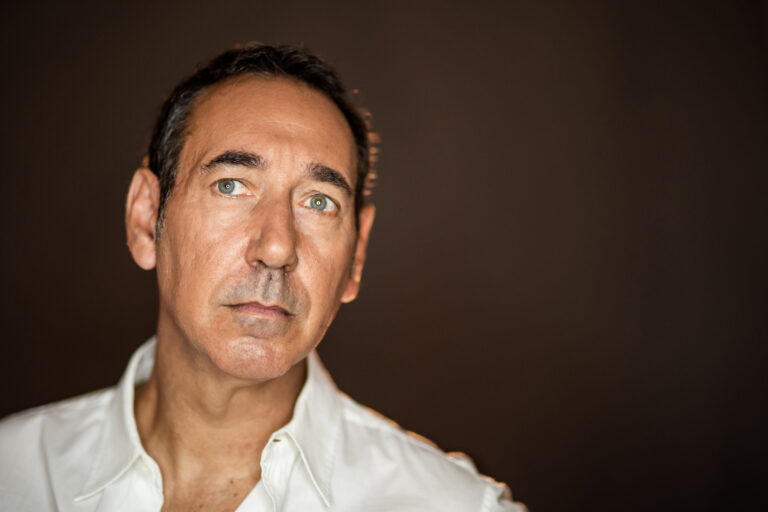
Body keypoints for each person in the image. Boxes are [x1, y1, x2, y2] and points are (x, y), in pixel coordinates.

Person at [0, 43, 525, 511]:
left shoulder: (453, 506)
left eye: (319, 202)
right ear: (145, 219)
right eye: (232, 185)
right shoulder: (14, 473)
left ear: (356, 256)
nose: (277, 248)